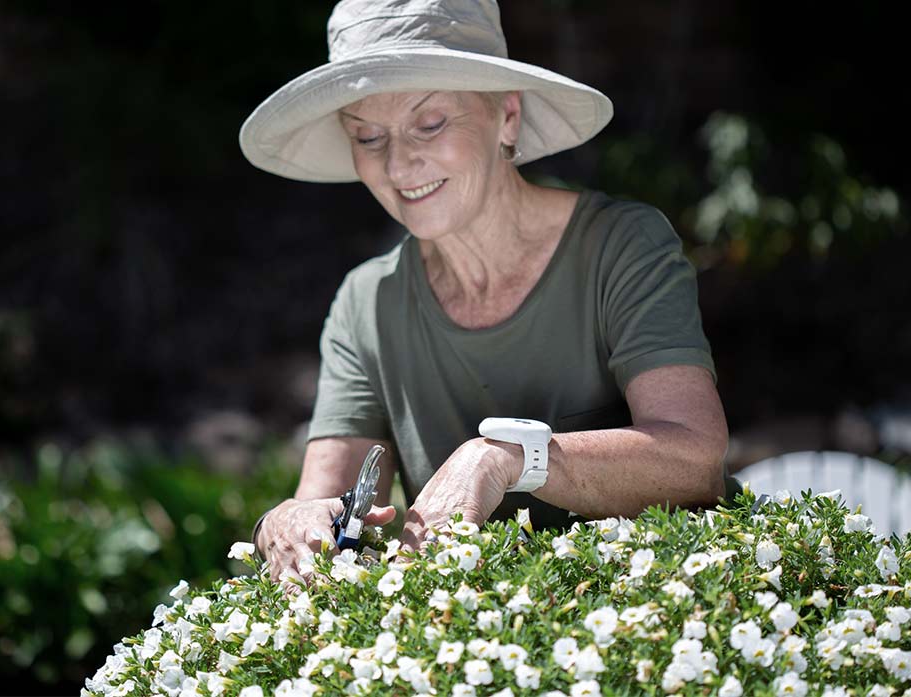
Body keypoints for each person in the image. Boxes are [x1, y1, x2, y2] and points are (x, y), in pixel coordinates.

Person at [238, 0, 730, 585]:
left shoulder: (622, 245)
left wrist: (507, 457)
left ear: (508, 118)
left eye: (430, 124)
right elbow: (326, 500)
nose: (398, 164)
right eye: (368, 137)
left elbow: (696, 460)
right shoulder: (365, 302)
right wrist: (286, 521)